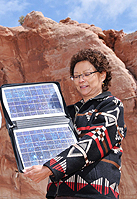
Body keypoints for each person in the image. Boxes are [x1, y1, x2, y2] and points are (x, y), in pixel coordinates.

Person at [23, 49, 127, 199]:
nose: (81, 80)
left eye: (86, 74)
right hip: (57, 194)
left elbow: (95, 142)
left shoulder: (112, 105)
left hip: (94, 195)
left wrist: (51, 168)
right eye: (76, 76)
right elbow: (48, 144)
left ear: (102, 75)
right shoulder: (68, 113)